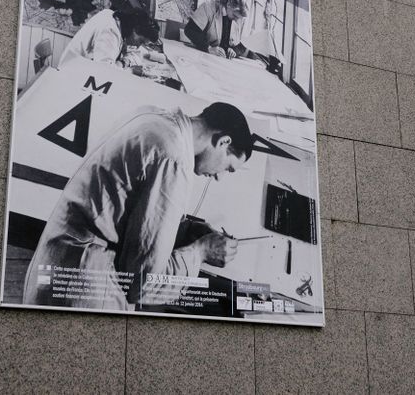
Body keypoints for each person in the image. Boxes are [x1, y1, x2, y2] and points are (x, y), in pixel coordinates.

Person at [23, 102, 253, 311]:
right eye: (228, 168)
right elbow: (142, 284)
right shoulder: (174, 159)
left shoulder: (153, 117)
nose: (220, 177)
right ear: (223, 142)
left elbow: (123, 202)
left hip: (57, 261)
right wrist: (200, 252)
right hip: (83, 287)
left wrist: (184, 229)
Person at [59, 7, 159, 67]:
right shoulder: (109, 31)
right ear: (134, 29)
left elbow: (136, 53)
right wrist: (123, 63)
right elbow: (105, 71)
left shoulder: (116, 19)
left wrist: (124, 60)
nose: (138, 46)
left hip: (81, 67)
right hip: (72, 72)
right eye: (140, 41)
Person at [184, 0, 248, 59]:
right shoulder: (208, 6)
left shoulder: (239, 18)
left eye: (238, 18)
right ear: (229, 5)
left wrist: (235, 50)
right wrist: (208, 48)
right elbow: (190, 30)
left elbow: (245, 44)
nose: (236, 20)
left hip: (223, 59)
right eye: (235, 16)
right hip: (204, 54)